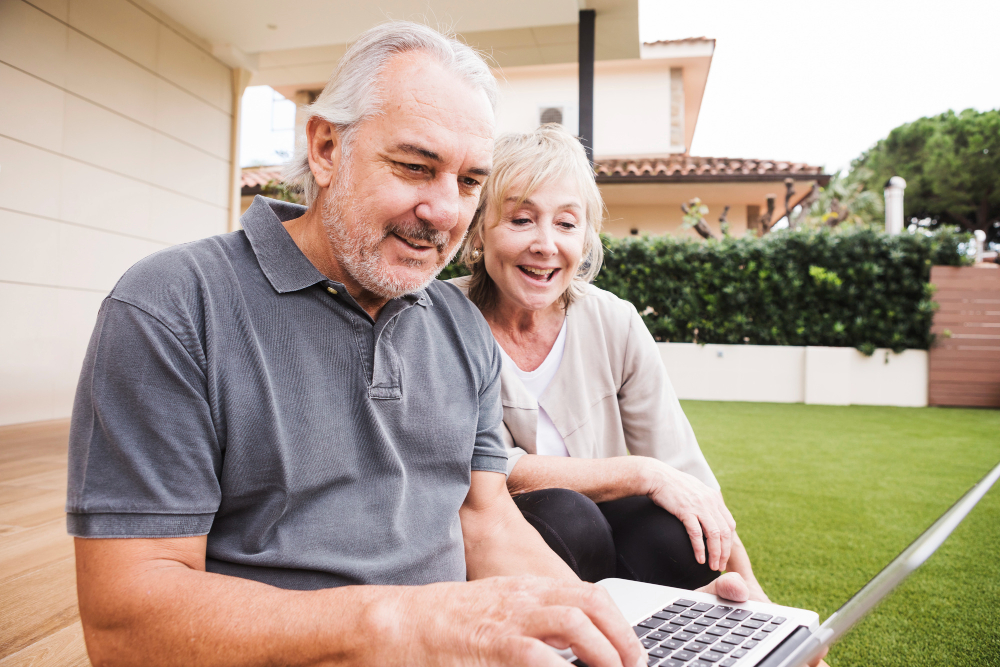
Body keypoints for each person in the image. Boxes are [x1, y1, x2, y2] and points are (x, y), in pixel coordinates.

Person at [65, 23, 712, 667]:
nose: (443, 210)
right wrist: (404, 619)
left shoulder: (459, 327)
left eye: (467, 182)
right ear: (325, 147)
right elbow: (126, 627)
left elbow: (485, 518)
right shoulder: (174, 305)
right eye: (414, 166)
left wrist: (622, 636)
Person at [452, 125, 768, 599]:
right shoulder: (441, 321)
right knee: (571, 517)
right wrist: (640, 473)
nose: (546, 244)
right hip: (504, 543)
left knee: (680, 534)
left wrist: (763, 606)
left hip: (605, 537)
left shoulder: (613, 320)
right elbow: (490, 469)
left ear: (586, 238)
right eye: (521, 219)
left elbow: (686, 474)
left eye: (566, 223)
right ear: (480, 230)